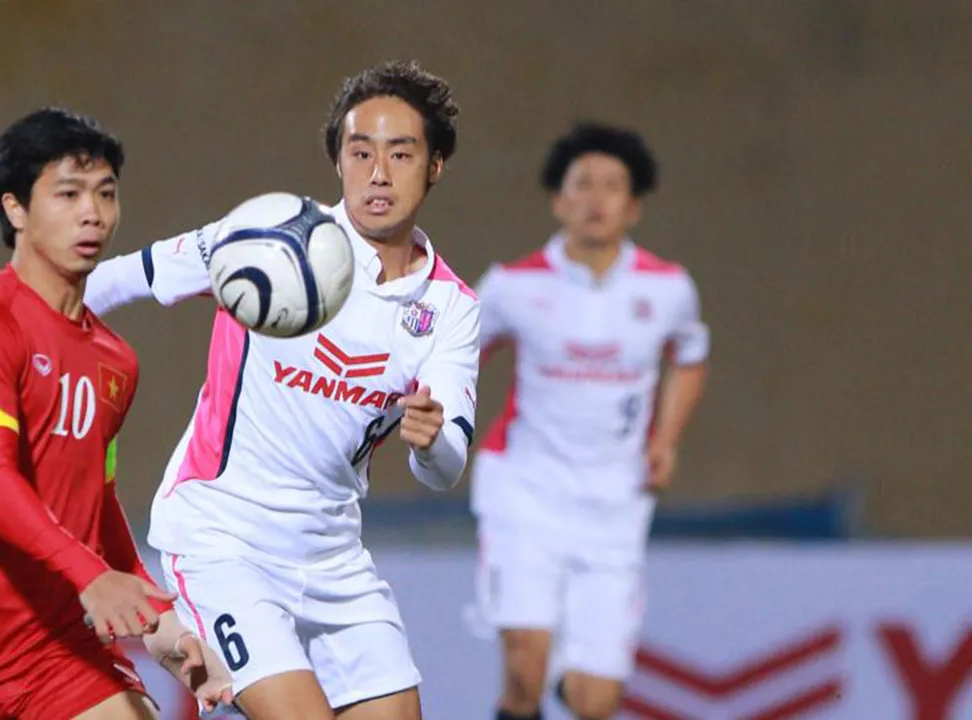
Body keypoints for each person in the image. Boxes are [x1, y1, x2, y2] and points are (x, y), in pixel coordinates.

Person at [84, 60, 480, 720]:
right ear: (338, 161)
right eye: (361, 152)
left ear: (435, 165)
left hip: (333, 557)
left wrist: (432, 441)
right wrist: (17, 327)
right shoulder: (265, 238)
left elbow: (444, 468)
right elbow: (126, 278)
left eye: (401, 153)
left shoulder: (450, 308)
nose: (378, 173)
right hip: (223, 536)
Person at [0, 108, 232, 720]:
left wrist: (163, 624)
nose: (93, 213)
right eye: (68, 194)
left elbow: (97, 504)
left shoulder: (117, 362)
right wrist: (90, 575)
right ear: (16, 210)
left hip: (57, 652)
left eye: (105, 194)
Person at [470, 122, 710, 720]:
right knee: (524, 666)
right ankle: (532, 688)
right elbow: (454, 352)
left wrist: (667, 438)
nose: (596, 199)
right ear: (558, 199)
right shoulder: (512, 286)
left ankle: (567, 687)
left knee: (594, 701)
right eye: (582, 184)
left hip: (615, 502)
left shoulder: (669, 288)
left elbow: (690, 356)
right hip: (526, 489)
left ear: (633, 206)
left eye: (612, 186)